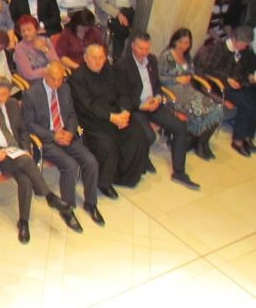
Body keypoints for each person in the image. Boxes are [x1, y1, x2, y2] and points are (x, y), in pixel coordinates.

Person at [0, 76, 75, 243]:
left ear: (9, 94)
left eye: (3, 94)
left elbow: (22, 130)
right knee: (27, 162)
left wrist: (26, 150)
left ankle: (23, 222)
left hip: (17, 152)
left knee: (26, 180)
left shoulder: (13, 104)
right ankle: (49, 196)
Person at [23, 61, 104, 229]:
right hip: (47, 140)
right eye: (53, 79)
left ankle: (91, 203)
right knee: (70, 165)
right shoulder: (32, 94)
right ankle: (67, 208)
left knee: (91, 161)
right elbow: (29, 124)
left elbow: (71, 114)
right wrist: (53, 135)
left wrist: (70, 132)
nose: (57, 83)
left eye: (60, 79)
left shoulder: (65, 89)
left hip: (66, 135)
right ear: (45, 75)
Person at [116, 32, 198, 189]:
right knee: (149, 135)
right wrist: (141, 105)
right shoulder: (122, 66)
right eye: (140, 48)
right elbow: (122, 95)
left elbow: (157, 84)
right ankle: (143, 159)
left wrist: (159, 97)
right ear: (133, 46)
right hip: (137, 108)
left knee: (180, 127)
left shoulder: (152, 60)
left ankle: (179, 172)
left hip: (154, 104)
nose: (144, 52)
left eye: (147, 48)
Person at [69, 44, 151, 196]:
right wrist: (111, 117)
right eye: (94, 57)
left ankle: (128, 175)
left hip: (117, 114)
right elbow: (88, 105)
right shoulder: (77, 77)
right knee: (107, 146)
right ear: (85, 58)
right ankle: (104, 183)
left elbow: (124, 93)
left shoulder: (110, 71)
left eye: (101, 57)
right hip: (92, 121)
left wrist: (125, 112)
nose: (98, 61)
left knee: (138, 134)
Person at [158, 28, 223, 159]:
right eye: (181, 42)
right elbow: (159, 78)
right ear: (175, 41)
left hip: (188, 90)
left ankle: (202, 143)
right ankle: (196, 143)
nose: (184, 45)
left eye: (187, 43)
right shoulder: (167, 56)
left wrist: (190, 77)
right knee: (201, 111)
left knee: (215, 108)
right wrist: (177, 79)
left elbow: (192, 72)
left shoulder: (186, 56)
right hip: (173, 91)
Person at [194, 25, 256, 157]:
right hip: (222, 85)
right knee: (248, 106)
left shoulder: (244, 52)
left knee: (253, 100)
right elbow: (209, 69)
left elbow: (248, 67)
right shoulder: (219, 49)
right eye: (244, 44)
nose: (245, 47)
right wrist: (227, 79)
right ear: (235, 39)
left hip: (239, 83)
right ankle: (238, 140)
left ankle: (247, 137)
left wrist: (250, 76)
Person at [13, 14, 62, 83]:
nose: (26, 33)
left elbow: (57, 62)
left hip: (53, 77)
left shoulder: (45, 40)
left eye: (29, 29)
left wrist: (45, 50)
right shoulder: (19, 49)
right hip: (35, 82)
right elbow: (29, 74)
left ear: (36, 29)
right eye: (23, 31)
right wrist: (49, 70)